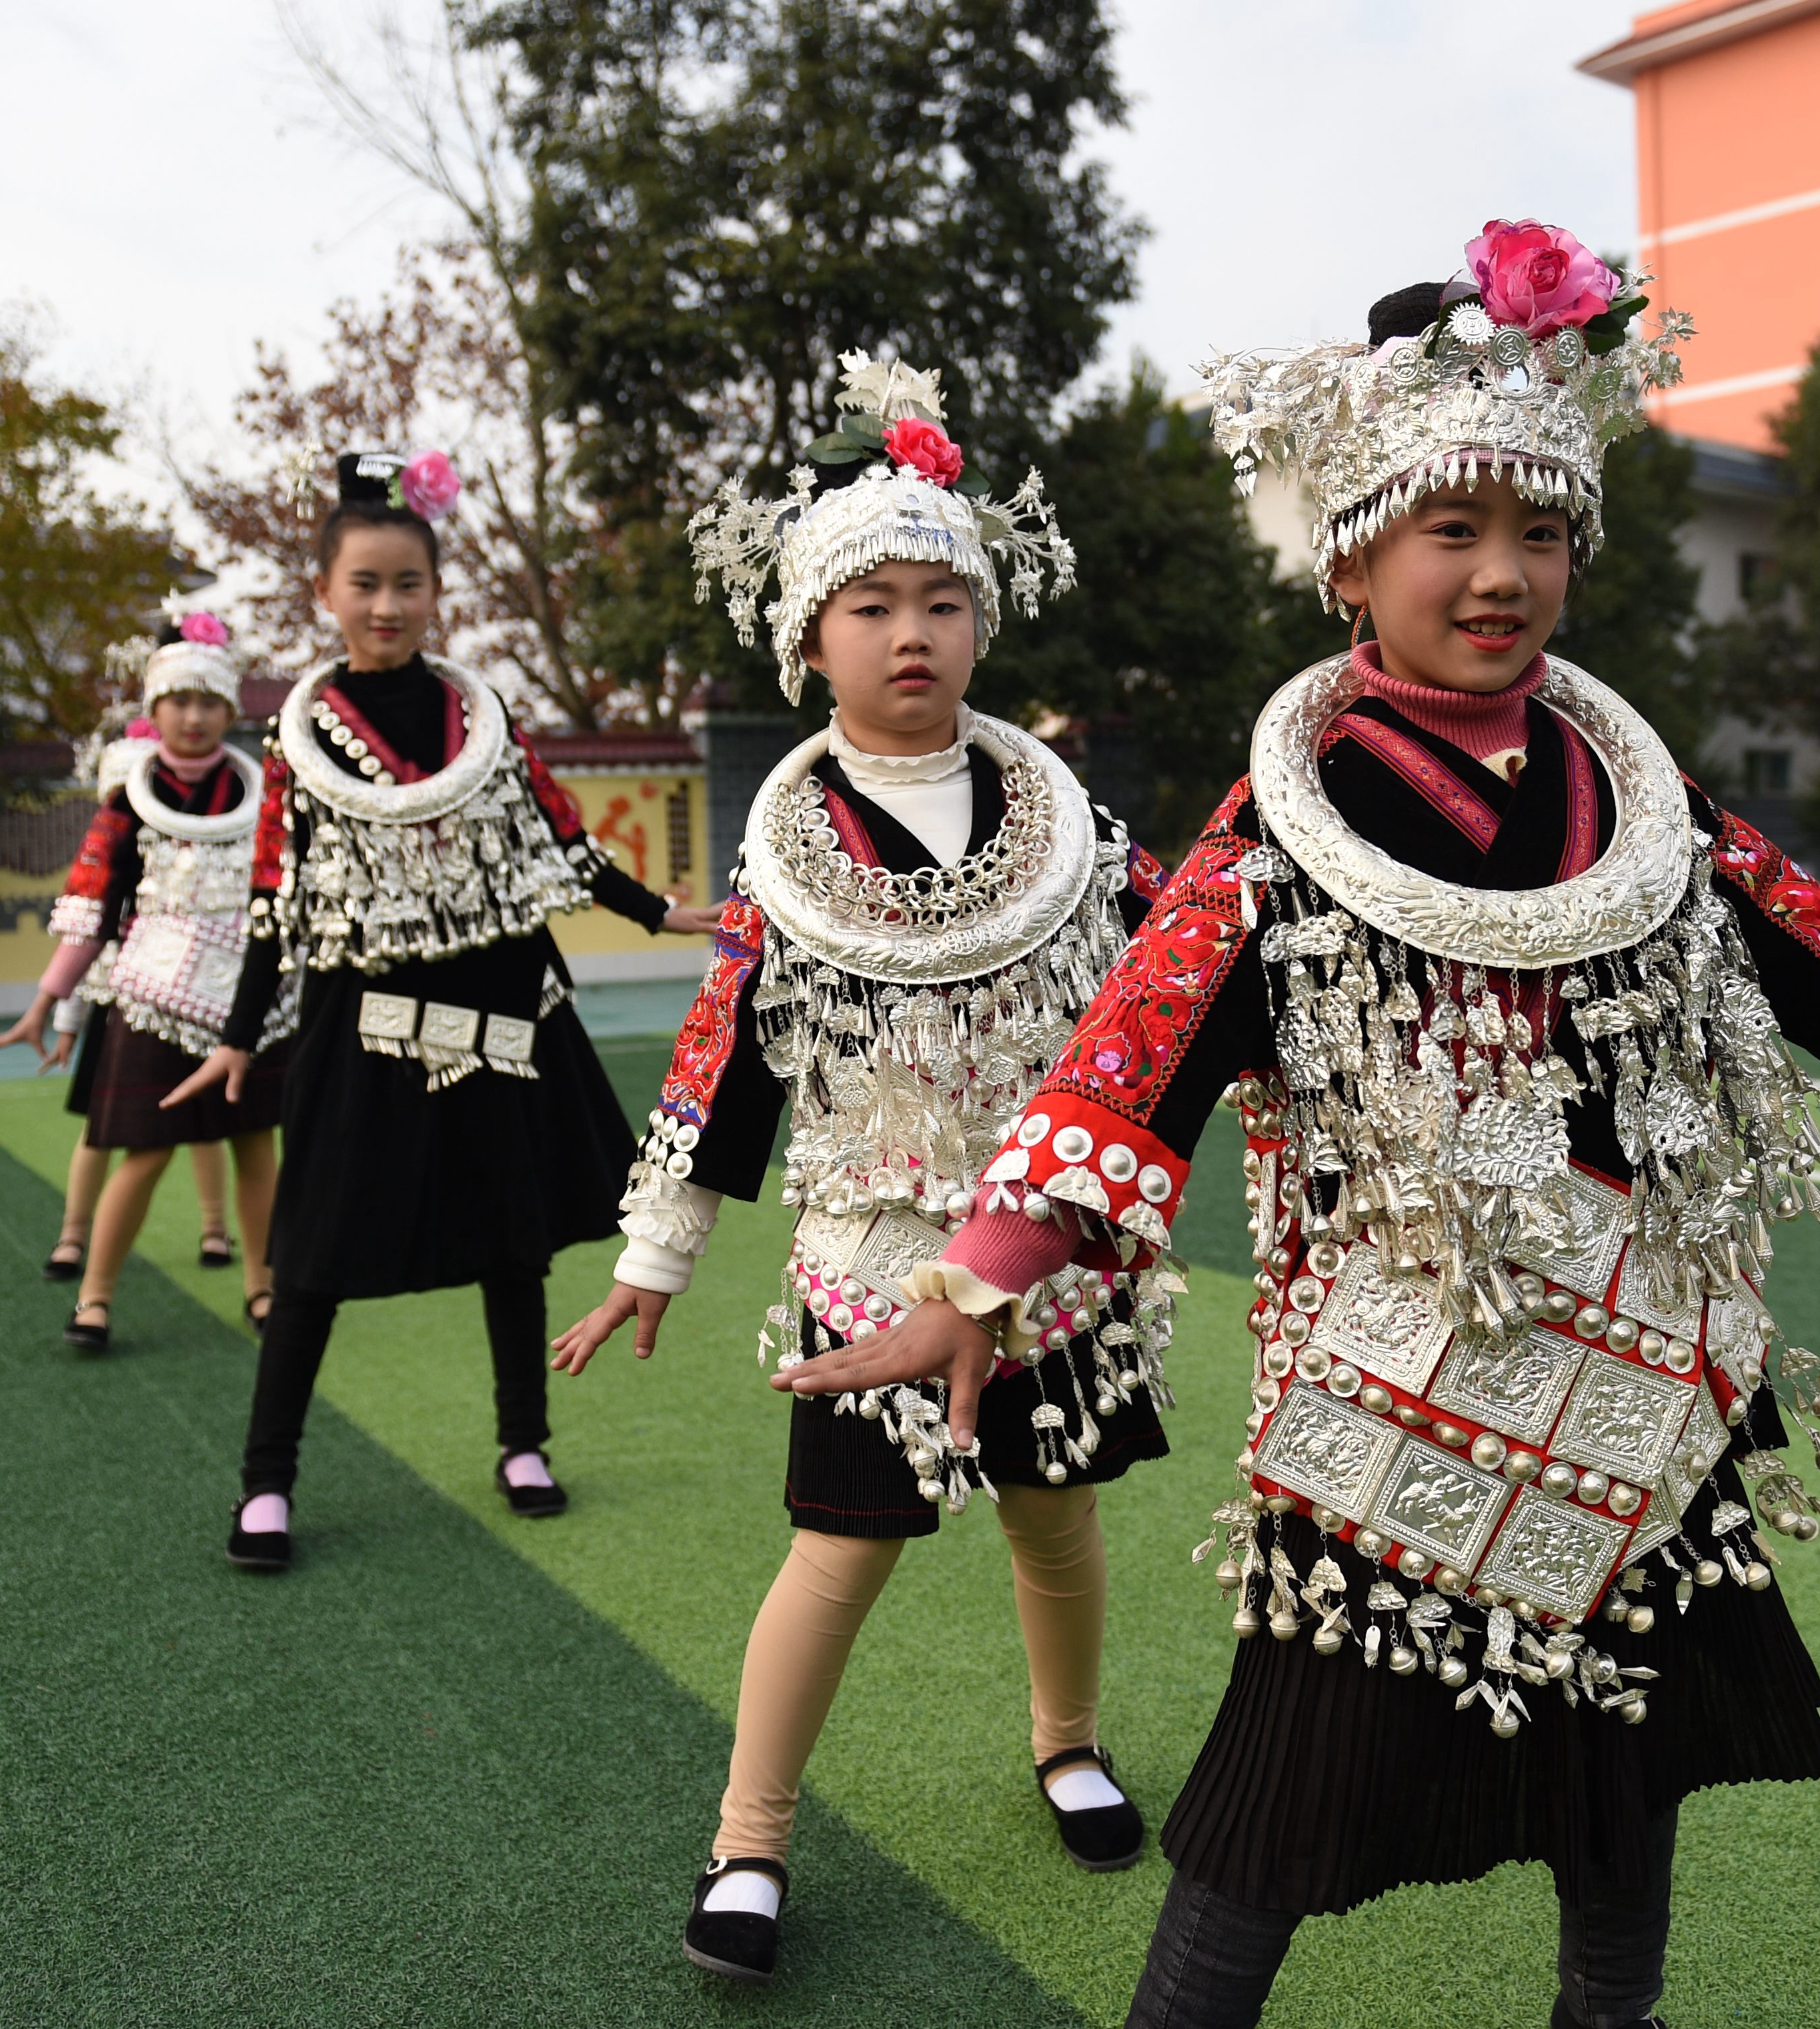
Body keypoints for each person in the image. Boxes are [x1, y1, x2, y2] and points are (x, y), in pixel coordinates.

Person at [777, 222, 1820, 2029]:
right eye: (1452, 532)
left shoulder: (1630, 782)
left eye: (1537, 535)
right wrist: (988, 1269)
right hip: (1396, 1369)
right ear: (1353, 562)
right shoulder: (1288, 821)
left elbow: (1805, 938)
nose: (1499, 575)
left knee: (1628, 1745)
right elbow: (1135, 1054)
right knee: (1282, 1782)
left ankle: (1609, 2011)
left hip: (1644, 1353)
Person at [549, 354, 1172, 1983]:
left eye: (943, 600)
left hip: (1043, 1237)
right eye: (874, 603)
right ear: (809, 636)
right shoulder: (788, 844)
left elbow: (1157, 998)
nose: (914, 633)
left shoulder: (1072, 821)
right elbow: (720, 1064)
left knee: (1054, 1515)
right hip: (873, 1247)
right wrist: (651, 1258)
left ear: (983, 620)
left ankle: (1068, 1737)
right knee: (842, 1547)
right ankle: (748, 1838)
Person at [164, 449, 719, 1572]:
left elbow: (555, 836)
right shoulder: (298, 735)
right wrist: (238, 1031)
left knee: (509, 1231)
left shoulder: (480, 713)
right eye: (363, 583)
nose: (386, 604)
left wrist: (654, 913)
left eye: (407, 583)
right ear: (323, 594)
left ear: (436, 591)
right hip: (360, 1013)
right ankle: (266, 1484)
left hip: (499, 994)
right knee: (311, 1249)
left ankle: (525, 1441)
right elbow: (276, 890)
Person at [0, 617, 291, 1346]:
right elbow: (91, 909)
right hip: (150, 1002)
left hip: (251, 1003)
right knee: (144, 1153)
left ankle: (262, 1288)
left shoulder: (265, 796)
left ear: (229, 710)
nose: (192, 717)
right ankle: (94, 1297)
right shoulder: (125, 802)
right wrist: (47, 1001)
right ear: (154, 711)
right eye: (177, 701)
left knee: (255, 1147)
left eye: (208, 702)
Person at [17, 725, 238, 1285]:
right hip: (118, 1003)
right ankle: (73, 1237)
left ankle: (216, 1229)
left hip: (194, 997)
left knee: (210, 1125)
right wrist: (63, 1014)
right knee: (105, 1128)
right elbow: (87, 931)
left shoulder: (199, 843)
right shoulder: (116, 839)